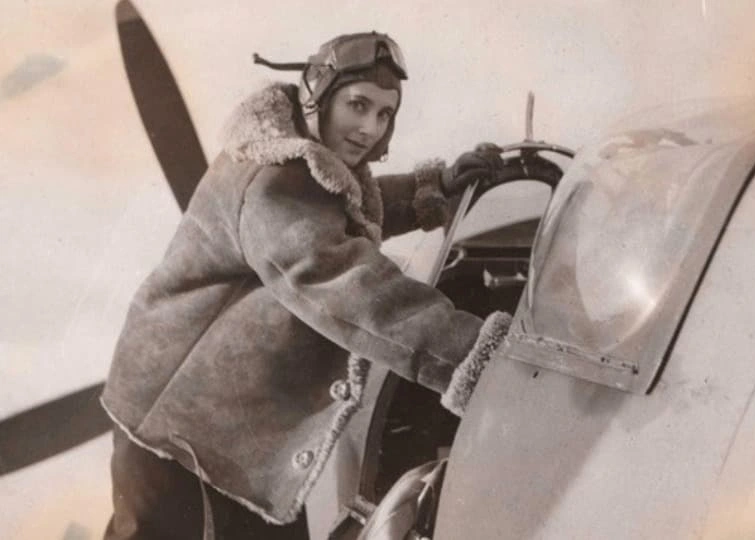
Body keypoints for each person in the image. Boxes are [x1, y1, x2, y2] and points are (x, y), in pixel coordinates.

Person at [100, 31, 558, 539]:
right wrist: (477, 359)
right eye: (358, 105)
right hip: (181, 437)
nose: (369, 128)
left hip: (225, 432)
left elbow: (335, 210)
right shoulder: (272, 183)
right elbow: (347, 285)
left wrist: (432, 191)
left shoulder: (296, 164)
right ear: (318, 95)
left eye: (384, 113)